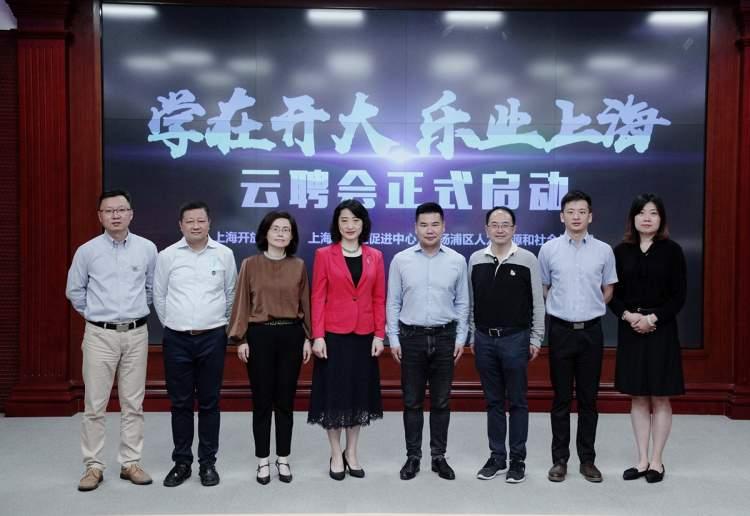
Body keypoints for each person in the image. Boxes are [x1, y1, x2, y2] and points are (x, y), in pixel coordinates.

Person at [66, 189, 157, 491]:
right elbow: (75, 291)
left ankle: (130, 463)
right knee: (95, 404)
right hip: (99, 335)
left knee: (133, 403)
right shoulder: (87, 251)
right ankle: (93, 466)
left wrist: (133, 313)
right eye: (109, 211)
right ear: (100, 216)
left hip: (136, 334)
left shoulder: (147, 248)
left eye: (121, 209)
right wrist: (97, 315)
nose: (116, 215)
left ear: (131, 214)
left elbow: (151, 288)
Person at [153, 201, 237, 487]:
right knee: (180, 403)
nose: (196, 226)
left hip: (212, 337)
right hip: (176, 338)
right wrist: (173, 323)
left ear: (209, 223)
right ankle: (182, 462)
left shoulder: (224, 254)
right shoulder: (167, 256)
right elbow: (159, 296)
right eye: (190, 221)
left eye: (201, 220)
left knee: (210, 402)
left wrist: (220, 325)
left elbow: (231, 294)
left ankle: (208, 463)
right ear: (181, 225)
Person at [538, 190, 617, 483]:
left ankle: (587, 460)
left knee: (588, 399)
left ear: (590, 216)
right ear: (562, 216)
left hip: (591, 332)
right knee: (560, 399)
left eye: (582, 212)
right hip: (560, 331)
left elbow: (609, 289)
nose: (576, 217)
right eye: (570, 211)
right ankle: (559, 460)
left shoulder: (604, 251)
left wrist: (589, 308)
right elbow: (544, 287)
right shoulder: (549, 250)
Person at [228, 211, 312, 485]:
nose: (280, 233)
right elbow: (241, 302)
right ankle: (262, 460)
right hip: (259, 336)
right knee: (262, 401)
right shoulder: (250, 264)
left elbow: (305, 303)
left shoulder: (298, 266)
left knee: (285, 401)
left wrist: (309, 337)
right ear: (265, 233)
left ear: (292, 236)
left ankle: (283, 458)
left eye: (286, 229)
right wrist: (241, 339)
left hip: (291, 335)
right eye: (275, 228)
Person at [386, 202, 469, 481]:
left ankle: (438, 457)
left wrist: (461, 337)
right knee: (412, 401)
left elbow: (463, 302)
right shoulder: (401, 260)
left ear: (444, 227)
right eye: (424, 225)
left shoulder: (457, 260)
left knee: (441, 401)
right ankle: (413, 457)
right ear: (415, 228)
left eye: (435, 224)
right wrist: (393, 338)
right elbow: (393, 302)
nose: (429, 230)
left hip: (446, 337)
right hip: (411, 338)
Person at [609, 194, 686, 484]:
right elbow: (612, 294)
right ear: (633, 218)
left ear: (661, 218)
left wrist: (652, 319)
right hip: (630, 328)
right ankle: (641, 459)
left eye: (653, 213)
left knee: (660, 396)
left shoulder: (673, 251)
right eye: (641, 212)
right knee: (638, 396)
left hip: (661, 329)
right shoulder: (620, 252)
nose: (647, 218)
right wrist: (629, 317)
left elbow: (679, 297)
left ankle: (657, 460)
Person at [307, 199, 385, 481]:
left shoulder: (375, 256)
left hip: (364, 335)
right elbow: (317, 297)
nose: (350, 226)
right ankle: (335, 453)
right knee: (334, 396)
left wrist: (379, 334)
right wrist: (317, 336)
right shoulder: (324, 255)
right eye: (344, 220)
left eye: (355, 220)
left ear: (363, 224)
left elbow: (379, 297)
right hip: (333, 336)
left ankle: (352, 452)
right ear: (336, 224)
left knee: (358, 395)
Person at [468, 206, 545, 484]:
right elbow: (472, 301)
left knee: (518, 401)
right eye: (494, 224)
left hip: (516, 338)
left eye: (505, 224)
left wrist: (536, 337)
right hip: (484, 339)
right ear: (486, 229)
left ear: (514, 229)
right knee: (493, 401)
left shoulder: (527, 259)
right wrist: (472, 335)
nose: (499, 229)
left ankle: (518, 460)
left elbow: (537, 302)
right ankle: (497, 457)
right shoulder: (476, 259)